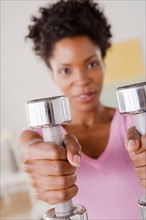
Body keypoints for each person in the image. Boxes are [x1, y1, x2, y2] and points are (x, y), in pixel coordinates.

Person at [17, 0, 146, 219]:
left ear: (104, 63)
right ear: (53, 74)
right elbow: (28, 150)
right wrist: (38, 161)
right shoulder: (37, 136)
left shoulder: (134, 123)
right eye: (66, 70)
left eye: (91, 64)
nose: (82, 80)